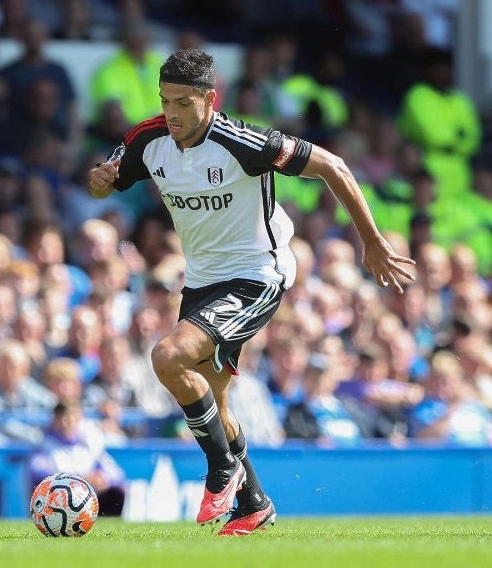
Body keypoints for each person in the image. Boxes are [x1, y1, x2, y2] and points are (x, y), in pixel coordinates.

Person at [87, 49, 415, 536]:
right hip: (201, 281)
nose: (171, 113)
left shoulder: (245, 141)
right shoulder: (147, 140)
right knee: (214, 401)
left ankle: (223, 469)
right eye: (165, 101)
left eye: (182, 103)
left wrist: (371, 240)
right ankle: (254, 502)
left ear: (209, 99)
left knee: (168, 356)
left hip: (258, 274)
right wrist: (99, 181)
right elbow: (104, 183)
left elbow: (334, 166)